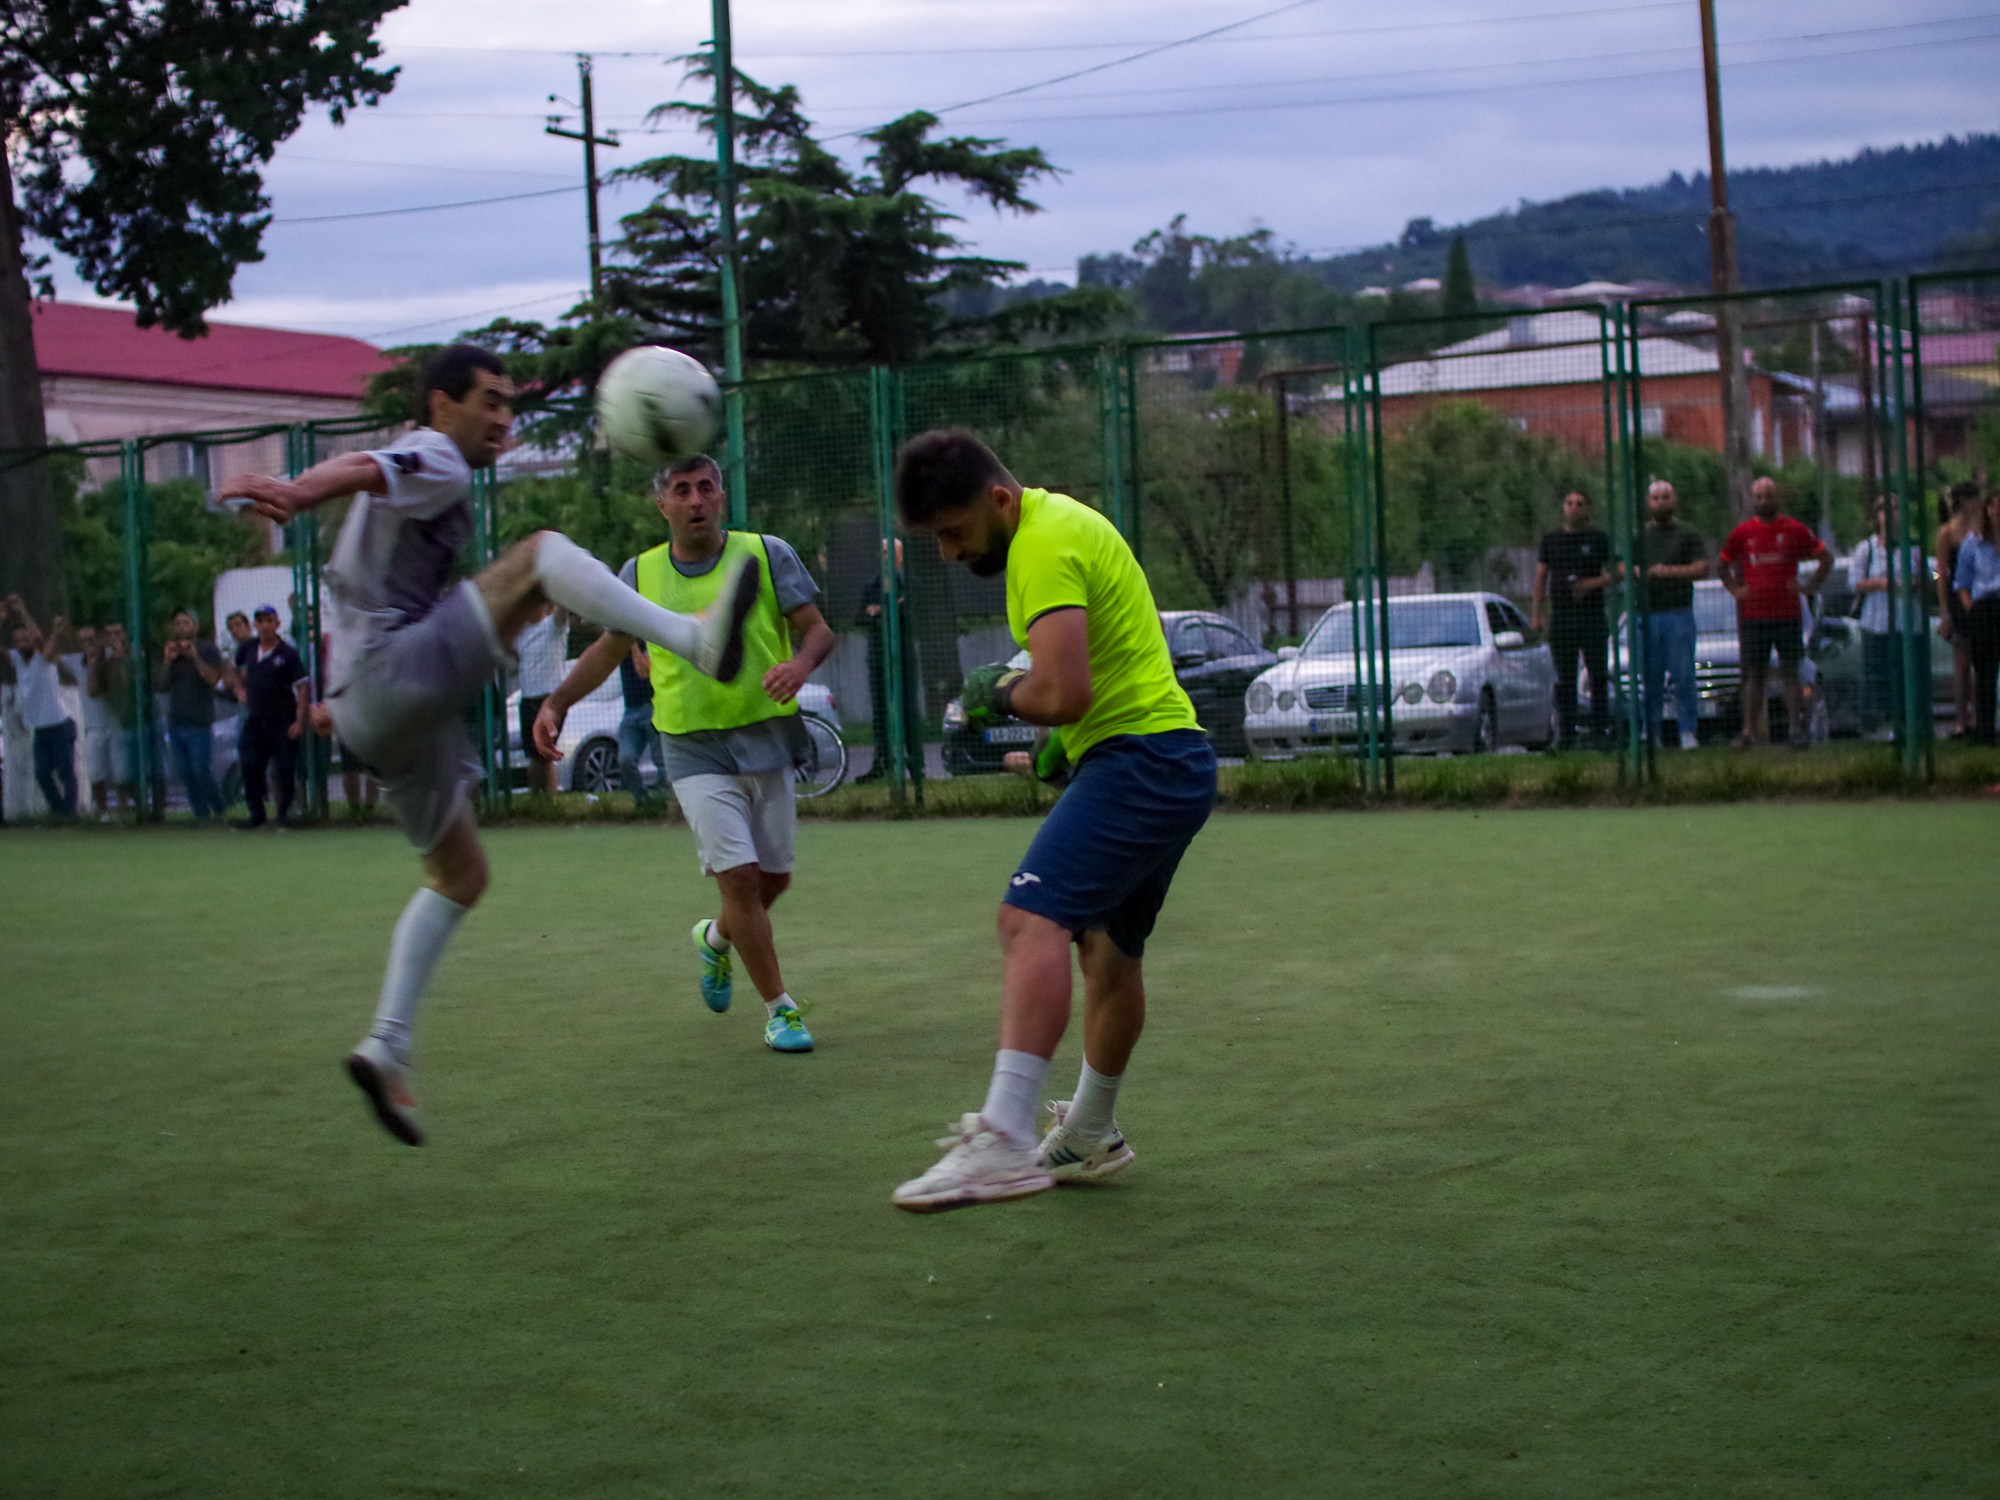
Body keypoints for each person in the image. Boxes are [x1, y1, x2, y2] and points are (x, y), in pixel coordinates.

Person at [217, 344, 763, 1145]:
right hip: (389, 674)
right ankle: (694, 637)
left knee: (460, 873)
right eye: (490, 401)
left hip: (371, 706)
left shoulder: (438, 472)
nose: (505, 419)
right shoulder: (435, 452)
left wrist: (503, 614)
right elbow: (368, 465)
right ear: (442, 406)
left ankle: (386, 1045)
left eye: (511, 404)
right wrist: (298, 490)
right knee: (541, 551)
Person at [888, 429, 1217, 1214]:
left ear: (998, 500)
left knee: (1026, 920)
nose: (948, 553)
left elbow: (1063, 692)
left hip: (1143, 760)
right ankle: (1091, 1131)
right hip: (1160, 755)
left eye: (954, 533)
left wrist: (995, 691)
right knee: (1108, 955)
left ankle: (1002, 1138)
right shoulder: (1061, 525)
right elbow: (1098, 681)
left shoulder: (1041, 543)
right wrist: (1044, 756)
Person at [534, 454, 836, 1055]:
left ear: (721, 497)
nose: (696, 500)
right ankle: (781, 1009)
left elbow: (819, 630)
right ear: (663, 504)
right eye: (682, 490)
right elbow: (609, 646)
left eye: (706, 488)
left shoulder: (766, 553)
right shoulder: (640, 574)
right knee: (741, 878)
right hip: (691, 747)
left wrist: (800, 665)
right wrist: (558, 700)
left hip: (768, 738)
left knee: (772, 880)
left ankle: (716, 939)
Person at [1718, 477, 1831, 748]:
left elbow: (1826, 557)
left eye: (1768, 496)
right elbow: (1722, 564)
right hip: (1754, 615)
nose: (1763, 501)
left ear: (1777, 498)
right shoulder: (1743, 533)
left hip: (1787, 613)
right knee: (1754, 674)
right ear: (1752, 499)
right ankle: (1748, 732)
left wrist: (1810, 586)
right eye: (1758, 496)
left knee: (1790, 672)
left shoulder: (1793, 529)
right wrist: (1736, 590)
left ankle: (1795, 730)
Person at [1531, 490, 1613, 749]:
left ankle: (1600, 732)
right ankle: (1566, 734)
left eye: (1580, 503)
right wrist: (1536, 614)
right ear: (1563, 508)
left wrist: (1590, 584)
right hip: (1563, 617)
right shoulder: (1551, 540)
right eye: (1569, 503)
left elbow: (1617, 571)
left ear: (1588, 509)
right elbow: (1541, 577)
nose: (1574, 507)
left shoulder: (1598, 539)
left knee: (1597, 674)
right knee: (1564, 678)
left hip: (1591, 617)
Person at [1633, 481, 1709, 750]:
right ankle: (1649, 733)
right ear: (1648, 503)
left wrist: (1669, 572)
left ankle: (1687, 731)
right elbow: (1624, 564)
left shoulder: (1687, 534)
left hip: (1678, 613)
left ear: (1674, 500)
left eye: (1665, 497)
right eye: (1655, 498)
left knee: (1684, 675)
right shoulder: (1639, 535)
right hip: (1647, 614)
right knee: (1649, 677)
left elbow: (1702, 567)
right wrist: (1638, 572)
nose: (1661, 502)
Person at [1848, 495, 1931, 739]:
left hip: (1908, 624)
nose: (1889, 514)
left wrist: (1917, 581)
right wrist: (1882, 583)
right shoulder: (1867, 549)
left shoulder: (1914, 548)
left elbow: (1934, 574)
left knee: (1908, 676)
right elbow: (1854, 582)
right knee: (1878, 676)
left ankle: (1911, 727)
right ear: (1877, 515)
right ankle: (1879, 726)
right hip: (1877, 624)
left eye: (1895, 509)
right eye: (1884, 509)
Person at [232, 604, 310, 828]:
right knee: (249, 765)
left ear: (277, 624)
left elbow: (303, 687)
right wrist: (239, 688)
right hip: (255, 721)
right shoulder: (248, 648)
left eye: (269, 621)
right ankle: (257, 814)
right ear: (255, 625)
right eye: (260, 621)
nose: (265, 626)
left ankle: (283, 815)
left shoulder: (288, 653)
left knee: (285, 769)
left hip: (282, 721)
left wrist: (299, 721)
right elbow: (233, 667)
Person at [853, 537, 924, 783]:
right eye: (882, 552)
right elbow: (860, 618)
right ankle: (881, 763)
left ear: (900, 556)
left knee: (908, 711)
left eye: (890, 552)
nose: (885, 557)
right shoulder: (871, 586)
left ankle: (916, 767)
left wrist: (880, 610)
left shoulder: (912, 584)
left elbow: (910, 614)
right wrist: (891, 607)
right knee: (881, 712)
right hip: (878, 659)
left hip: (904, 659)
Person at [4, 595, 80, 818]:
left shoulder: (42, 657)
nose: (22, 642)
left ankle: (70, 811)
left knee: (65, 771)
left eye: (25, 639)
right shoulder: (18, 660)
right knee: (42, 773)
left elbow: (38, 638)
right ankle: (59, 810)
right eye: (18, 640)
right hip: (40, 727)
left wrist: (22, 610)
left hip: (58, 723)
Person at [155, 608, 230, 819]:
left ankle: (219, 807)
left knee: (200, 769)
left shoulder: (207, 650)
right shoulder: (171, 653)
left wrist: (194, 655)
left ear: (195, 627)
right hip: (176, 720)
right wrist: (168, 660)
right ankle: (201, 815)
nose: (181, 627)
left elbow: (214, 679)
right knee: (185, 772)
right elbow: (161, 685)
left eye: (185, 623)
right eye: (177, 623)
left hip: (200, 721)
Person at [1952, 489, 2000, 744]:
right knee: (1984, 672)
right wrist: (1970, 607)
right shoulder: (1973, 542)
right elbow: (1960, 581)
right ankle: (1985, 730)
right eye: (1994, 507)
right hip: (1984, 608)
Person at [1937, 483, 1983, 738]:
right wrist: (1944, 610)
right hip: (1958, 602)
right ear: (1963, 501)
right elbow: (1938, 573)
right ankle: (1961, 719)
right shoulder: (1947, 533)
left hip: (1980, 598)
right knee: (1962, 663)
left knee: (1980, 662)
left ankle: (1979, 717)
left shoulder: (1983, 531)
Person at [513, 601, 568, 797]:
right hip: (527, 700)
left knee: (544, 757)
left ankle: (549, 802)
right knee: (534, 757)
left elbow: (563, 610)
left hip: (549, 702)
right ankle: (537, 800)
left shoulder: (553, 626)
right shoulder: (521, 635)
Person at [80, 624, 131, 819]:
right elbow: (92, 691)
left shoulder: (113, 660)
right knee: (95, 772)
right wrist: (93, 666)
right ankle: (102, 811)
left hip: (115, 723)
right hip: (94, 726)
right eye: (84, 642)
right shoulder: (84, 663)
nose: (89, 645)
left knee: (121, 771)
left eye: (92, 640)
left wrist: (117, 645)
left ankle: (123, 808)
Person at [615, 640, 667, 804]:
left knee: (661, 762)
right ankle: (642, 801)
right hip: (630, 712)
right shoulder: (618, 645)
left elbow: (643, 671)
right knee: (625, 759)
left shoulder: (650, 644)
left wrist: (633, 645)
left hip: (652, 708)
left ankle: (661, 800)